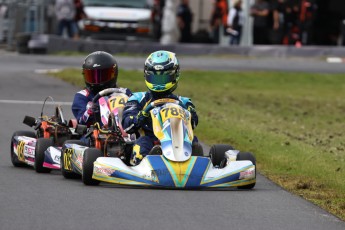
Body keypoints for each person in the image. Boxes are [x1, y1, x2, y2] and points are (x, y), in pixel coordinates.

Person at [122, 50, 199, 166]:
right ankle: (147, 161)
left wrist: (190, 113)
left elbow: (193, 123)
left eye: (163, 78)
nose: (159, 83)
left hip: (179, 142)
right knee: (142, 144)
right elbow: (127, 125)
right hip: (151, 141)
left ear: (175, 75)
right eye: (155, 78)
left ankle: (194, 164)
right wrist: (140, 117)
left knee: (194, 142)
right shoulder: (137, 98)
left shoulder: (184, 102)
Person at [72, 51, 132, 127]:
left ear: (114, 74)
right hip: (94, 134)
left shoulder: (124, 93)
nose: (97, 81)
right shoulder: (82, 96)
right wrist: (90, 111)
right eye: (92, 76)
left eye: (103, 76)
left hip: (126, 131)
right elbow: (81, 121)